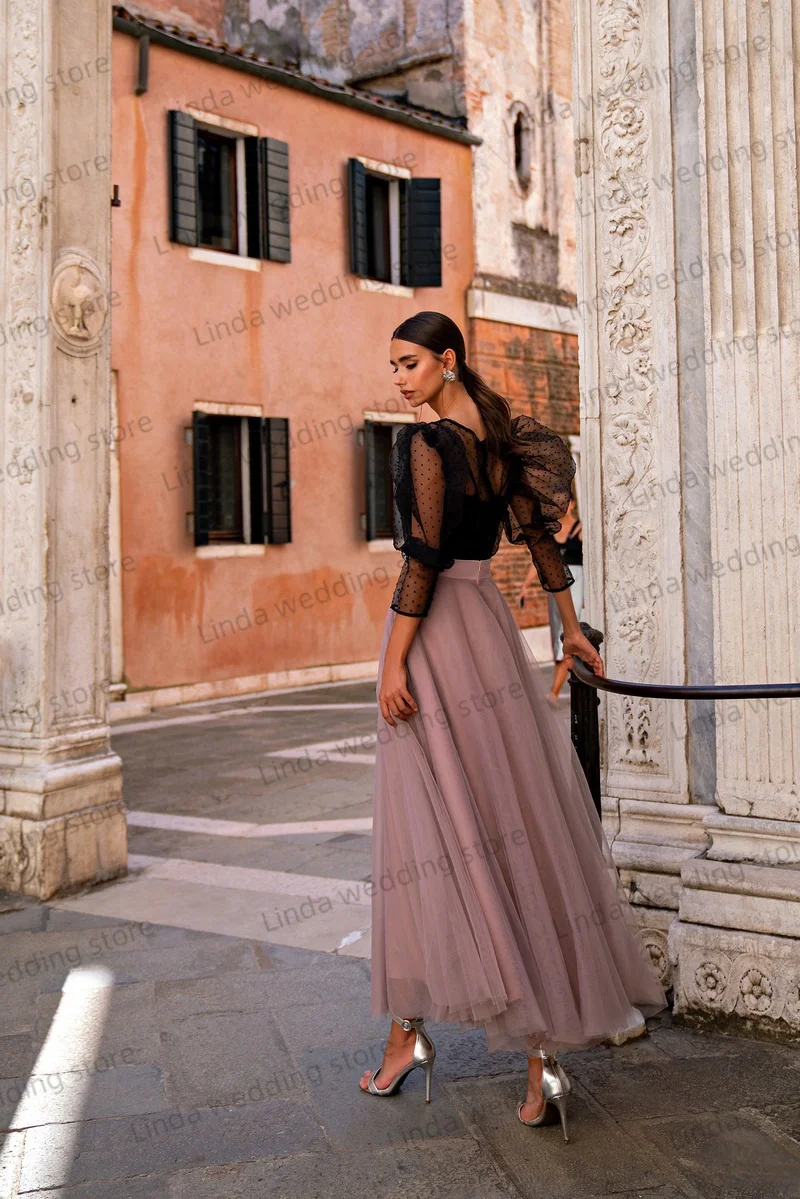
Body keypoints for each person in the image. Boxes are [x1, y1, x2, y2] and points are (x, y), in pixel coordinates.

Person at [359, 311, 667, 1141]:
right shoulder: (502, 437)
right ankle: (540, 1059)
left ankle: (405, 1036)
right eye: (393, 366)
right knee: (514, 829)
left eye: (410, 364)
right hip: (489, 633)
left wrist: (394, 662)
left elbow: (421, 556)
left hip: (430, 636)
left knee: (426, 843)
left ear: (447, 360)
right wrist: (570, 628)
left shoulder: (426, 446)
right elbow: (538, 541)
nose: (399, 379)